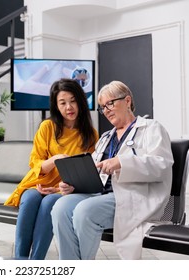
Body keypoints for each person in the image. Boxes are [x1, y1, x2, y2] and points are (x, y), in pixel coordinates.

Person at [51, 80, 174, 260]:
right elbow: (93, 171)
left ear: (127, 101)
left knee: (84, 211)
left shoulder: (151, 128)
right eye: (102, 107)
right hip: (101, 194)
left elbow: (161, 165)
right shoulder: (106, 137)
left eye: (110, 103)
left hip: (132, 196)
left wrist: (122, 162)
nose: (106, 110)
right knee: (60, 207)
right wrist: (73, 185)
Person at [4, 78, 98, 259]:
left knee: (49, 202)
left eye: (73, 101)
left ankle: (36, 261)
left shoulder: (91, 135)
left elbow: (89, 173)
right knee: (30, 198)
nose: (68, 107)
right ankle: (19, 261)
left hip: (66, 189)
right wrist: (55, 159)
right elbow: (35, 162)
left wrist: (60, 187)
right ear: (56, 106)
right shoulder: (47, 127)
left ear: (80, 101)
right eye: (62, 103)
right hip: (38, 182)